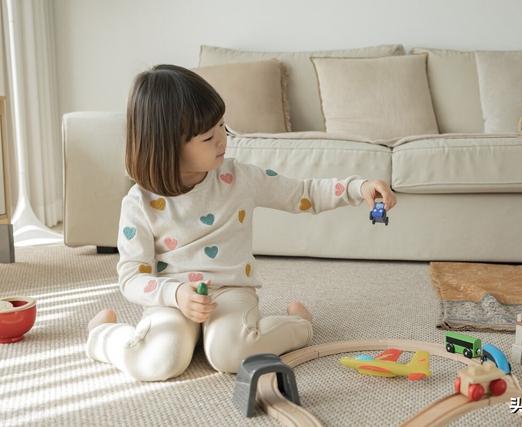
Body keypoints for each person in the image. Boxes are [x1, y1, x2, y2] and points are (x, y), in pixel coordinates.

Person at [85, 64, 397, 381]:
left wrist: (358, 188)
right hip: (170, 298)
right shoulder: (139, 203)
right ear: (166, 146)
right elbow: (132, 279)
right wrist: (175, 294)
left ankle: (299, 325)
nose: (222, 139)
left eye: (222, 125)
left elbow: (303, 193)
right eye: (208, 136)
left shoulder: (239, 178)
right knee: (158, 362)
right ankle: (102, 334)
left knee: (231, 355)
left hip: (230, 290)